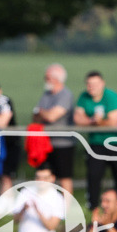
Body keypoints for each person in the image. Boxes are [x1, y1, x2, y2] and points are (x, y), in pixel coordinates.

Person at [75, 72, 117, 210]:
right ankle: (94, 208)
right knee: (93, 174)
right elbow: (77, 119)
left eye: (95, 84)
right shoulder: (83, 97)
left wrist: (97, 122)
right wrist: (93, 122)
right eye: (89, 84)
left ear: (102, 84)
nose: (91, 87)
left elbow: (114, 122)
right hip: (97, 142)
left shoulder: (111, 97)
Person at [33, 64, 76, 196]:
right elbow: (35, 117)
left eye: (47, 77)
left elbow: (51, 116)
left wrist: (42, 112)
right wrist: (42, 113)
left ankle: (67, 211)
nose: (45, 80)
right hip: (46, 143)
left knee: (64, 177)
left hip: (63, 143)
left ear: (56, 79)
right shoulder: (46, 95)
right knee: (46, 177)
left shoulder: (65, 95)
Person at [12, 164, 66, 232]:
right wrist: (23, 209)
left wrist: (37, 211)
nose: (41, 181)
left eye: (45, 178)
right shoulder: (25, 192)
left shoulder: (57, 198)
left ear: (52, 178)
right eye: (38, 177)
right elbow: (15, 220)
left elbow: (51, 226)